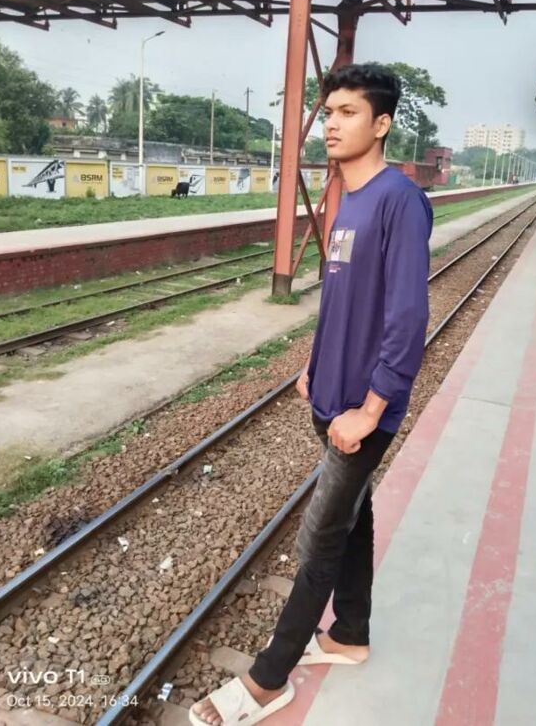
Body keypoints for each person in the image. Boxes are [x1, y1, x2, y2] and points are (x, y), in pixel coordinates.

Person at [189, 63, 433, 726]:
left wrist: (373, 408)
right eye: (328, 113)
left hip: (362, 411)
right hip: (331, 396)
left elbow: (407, 315)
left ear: (381, 124)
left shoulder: (398, 200)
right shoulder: (345, 197)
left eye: (348, 112)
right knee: (353, 515)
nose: (332, 124)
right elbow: (342, 298)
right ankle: (350, 632)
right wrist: (315, 363)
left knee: (318, 538)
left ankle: (268, 680)